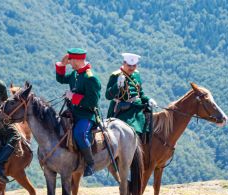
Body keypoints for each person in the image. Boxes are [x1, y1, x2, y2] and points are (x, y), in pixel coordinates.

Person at [55, 48, 101, 176]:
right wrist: (61, 65)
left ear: (78, 60)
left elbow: (92, 102)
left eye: (71, 60)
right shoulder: (76, 74)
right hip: (73, 112)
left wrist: (73, 97)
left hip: (86, 114)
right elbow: (61, 79)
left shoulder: (90, 78)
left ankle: (90, 163)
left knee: (80, 134)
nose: (70, 63)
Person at [105, 53, 157, 141]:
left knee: (149, 128)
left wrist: (148, 100)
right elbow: (108, 96)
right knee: (130, 131)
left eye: (134, 66)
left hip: (136, 108)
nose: (132, 68)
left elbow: (140, 94)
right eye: (129, 65)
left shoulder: (136, 74)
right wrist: (117, 85)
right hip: (122, 109)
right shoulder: (115, 76)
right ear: (124, 63)